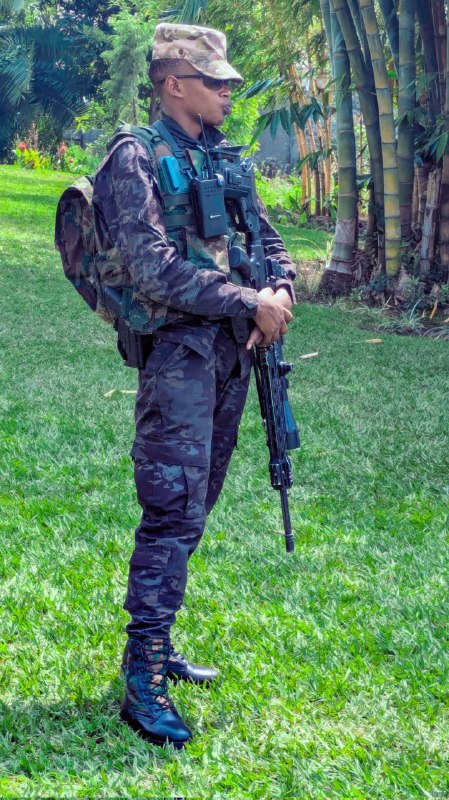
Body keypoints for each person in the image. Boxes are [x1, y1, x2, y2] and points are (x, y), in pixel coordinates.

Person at [92, 22, 296, 750]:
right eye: (214, 81)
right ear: (173, 83)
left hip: (230, 357)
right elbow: (151, 270)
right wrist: (248, 302)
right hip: (179, 359)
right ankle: (142, 672)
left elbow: (265, 237)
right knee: (171, 512)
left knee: (195, 504)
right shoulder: (134, 157)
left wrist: (280, 286)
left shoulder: (219, 154)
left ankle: (160, 645)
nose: (228, 92)